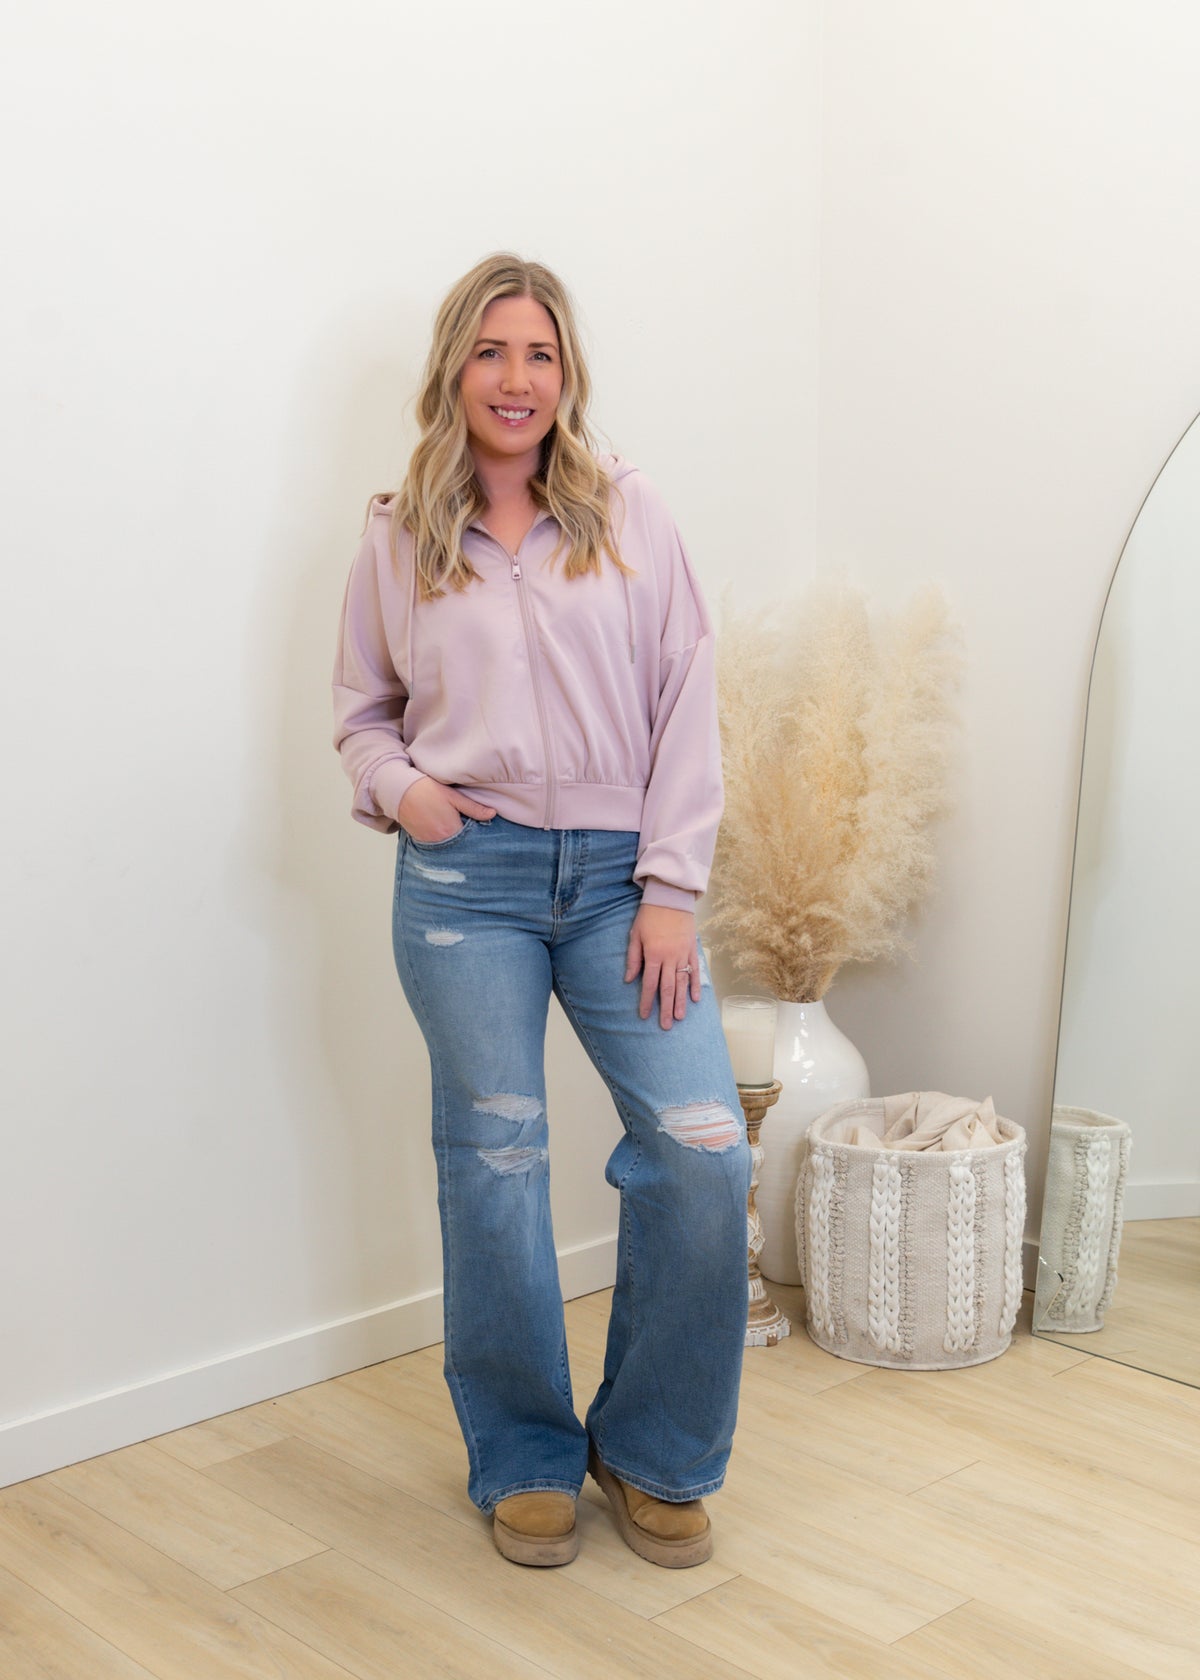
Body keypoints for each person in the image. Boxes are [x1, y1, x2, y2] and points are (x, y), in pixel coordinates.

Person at [332, 253, 752, 1569]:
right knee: (498, 1163)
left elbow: (688, 693)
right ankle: (522, 1452)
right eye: (492, 351)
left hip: (625, 881)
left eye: (542, 355)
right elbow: (361, 713)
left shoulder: (629, 512)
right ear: (453, 367)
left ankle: (654, 1448)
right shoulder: (399, 533)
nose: (517, 379)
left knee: (702, 1150)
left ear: (567, 376)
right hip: (469, 888)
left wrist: (672, 886)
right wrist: (405, 793)